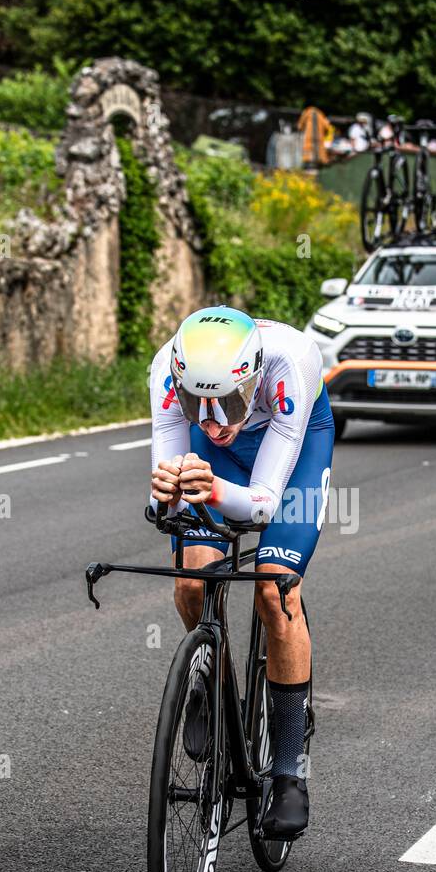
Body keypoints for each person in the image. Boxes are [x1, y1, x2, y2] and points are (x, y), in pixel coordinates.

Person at [149, 305, 335, 840]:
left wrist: (204, 489)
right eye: (194, 402)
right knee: (191, 579)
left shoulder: (292, 362)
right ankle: (210, 678)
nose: (210, 419)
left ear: (252, 379)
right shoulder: (166, 367)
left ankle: (288, 771)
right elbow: (167, 487)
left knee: (276, 592)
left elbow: (260, 504)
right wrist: (165, 497)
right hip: (219, 466)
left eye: (228, 401)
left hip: (293, 453)